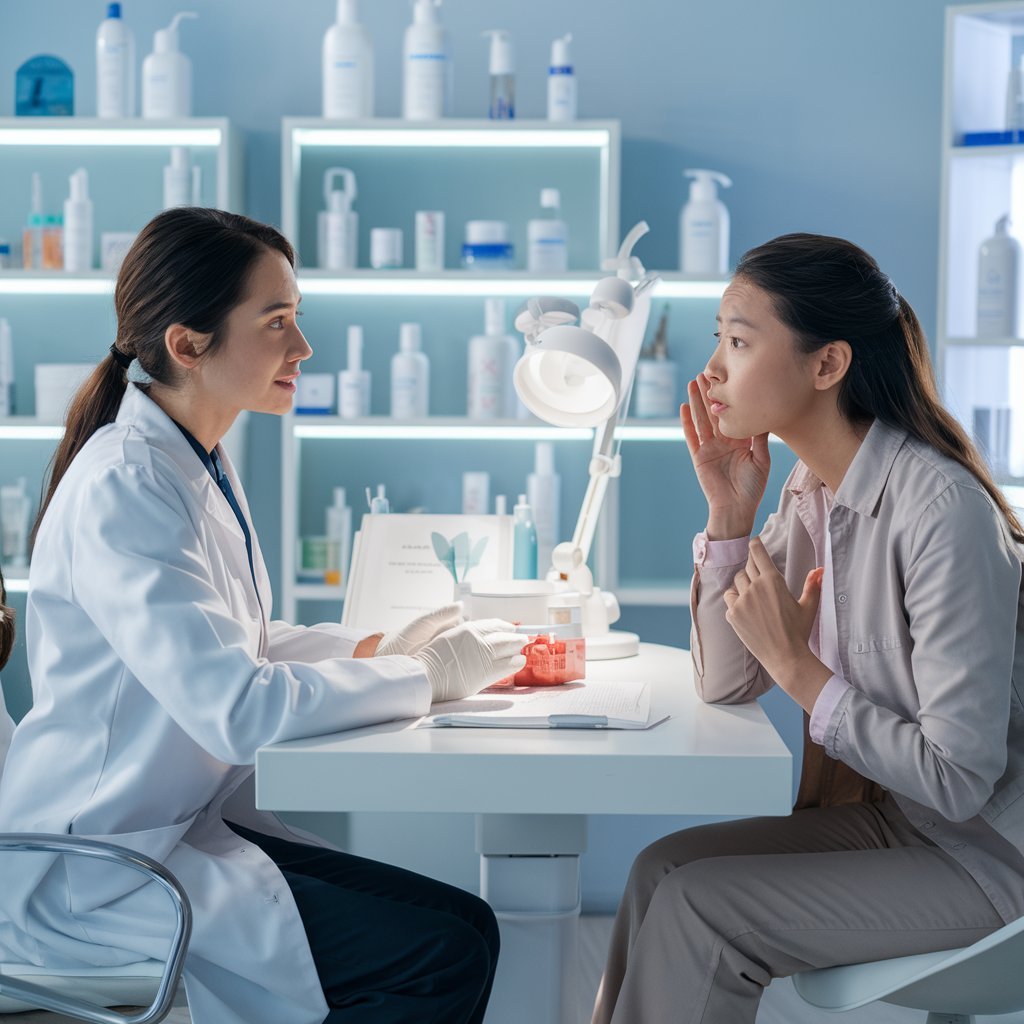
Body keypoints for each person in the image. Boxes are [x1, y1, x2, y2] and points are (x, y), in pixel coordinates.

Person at [0, 207, 527, 1024]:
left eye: (298, 318)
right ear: (188, 344)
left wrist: (379, 644)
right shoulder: (125, 484)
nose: (302, 348)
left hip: (176, 827)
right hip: (97, 865)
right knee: (437, 958)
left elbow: (232, 643)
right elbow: (237, 710)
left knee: (470, 925)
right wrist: (419, 676)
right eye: (276, 321)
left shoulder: (194, 459)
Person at [592, 233, 1024, 1023]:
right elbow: (727, 680)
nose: (713, 368)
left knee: (701, 909)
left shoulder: (940, 512)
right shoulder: (810, 491)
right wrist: (730, 517)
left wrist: (802, 672)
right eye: (718, 338)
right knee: (661, 871)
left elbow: (961, 780)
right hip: (904, 825)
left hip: (993, 864)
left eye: (739, 341)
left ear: (827, 366)